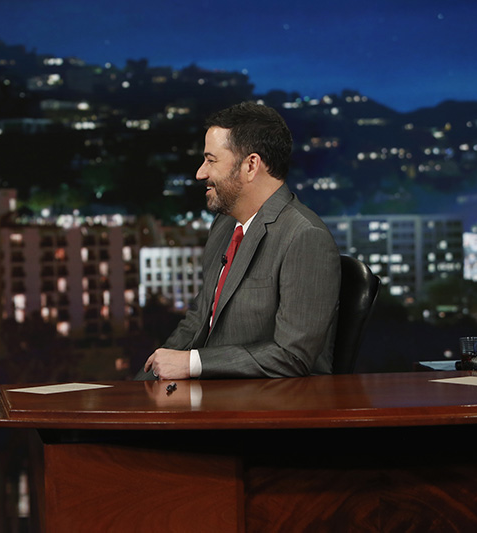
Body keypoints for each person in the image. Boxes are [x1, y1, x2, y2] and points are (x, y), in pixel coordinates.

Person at [140, 102, 340, 381]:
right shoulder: (224, 226)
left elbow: (292, 357)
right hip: (213, 397)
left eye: (211, 160)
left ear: (250, 165)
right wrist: (142, 386)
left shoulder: (305, 236)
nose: (200, 173)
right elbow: (198, 322)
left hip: (270, 410)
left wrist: (193, 363)